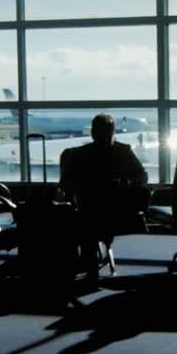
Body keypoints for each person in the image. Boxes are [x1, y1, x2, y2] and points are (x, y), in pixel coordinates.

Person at [59, 113, 150, 275]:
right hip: (104, 207)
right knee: (91, 215)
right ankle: (88, 262)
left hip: (96, 207)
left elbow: (141, 177)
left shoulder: (80, 154)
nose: (103, 135)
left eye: (105, 131)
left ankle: (86, 262)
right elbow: (141, 177)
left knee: (87, 218)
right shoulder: (122, 152)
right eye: (101, 131)